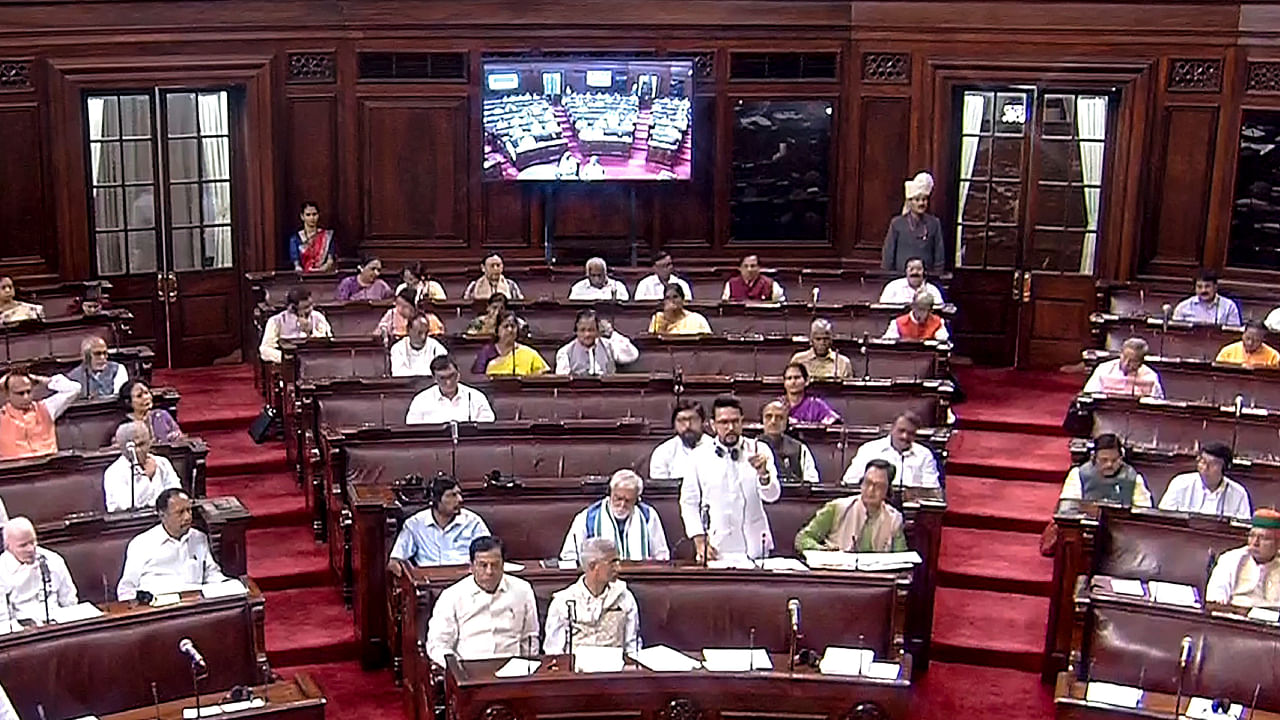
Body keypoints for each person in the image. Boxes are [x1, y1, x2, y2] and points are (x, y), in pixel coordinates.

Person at [679, 396, 780, 561]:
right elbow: (688, 502)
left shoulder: (759, 450)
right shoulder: (698, 456)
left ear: (742, 421)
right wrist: (699, 540)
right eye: (724, 422)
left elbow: (772, 496)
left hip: (755, 548)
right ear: (713, 425)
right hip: (716, 548)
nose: (730, 427)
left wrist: (763, 474)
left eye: (735, 421)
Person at [425, 536, 539, 666]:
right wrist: (457, 670)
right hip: (468, 669)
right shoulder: (452, 596)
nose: (489, 571)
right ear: (472, 566)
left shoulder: (522, 590)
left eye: (495, 565)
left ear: (503, 565)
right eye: (483, 565)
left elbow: (530, 638)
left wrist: (527, 668)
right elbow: (438, 645)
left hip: (513, 669)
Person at [117, 488, 228, 601]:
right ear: (162, 515)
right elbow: (126, 590)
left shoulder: (199, 538)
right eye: (180, 512)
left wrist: (228, 585)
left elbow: (212, 575)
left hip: (195, 607)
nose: (187, 517)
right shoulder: (141, 544)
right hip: (159, 610)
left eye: (189, 510)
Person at [544, 537, 641, 655]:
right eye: (612, 562)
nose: (618, 568)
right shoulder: (563, 602)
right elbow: (554, 652)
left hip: (615, 669)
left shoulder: (624, 598)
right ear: (592, 566)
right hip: (577, 670)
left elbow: (632, 645)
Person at [795, 460, 907, 553]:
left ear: (888, 490)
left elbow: (901, 558)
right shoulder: (837, 508)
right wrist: (822, 550)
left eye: (878, 486)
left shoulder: (894, 520)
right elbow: (802, 539)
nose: (871, 490)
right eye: (867, 483)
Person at [559, 470, 670, 563]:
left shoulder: (648, 516)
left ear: (637, 499)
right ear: (610, 493)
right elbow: (569, 556)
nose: (622, 505)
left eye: (628, 500)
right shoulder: (587, 518)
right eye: (618, 498)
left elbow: (661, 555)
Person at [389, 475, 490, 571]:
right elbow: (395, 561)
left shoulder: (473, 522)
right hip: (427, 582)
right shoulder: (414, 524)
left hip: (465, 580)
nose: (460, 500)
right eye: (452, 495)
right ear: (436, 500)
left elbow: (490, 553)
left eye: (459, 494)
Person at [0, 517, 78, 621]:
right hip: (22, 632)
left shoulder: (53, 560)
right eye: (23, 545)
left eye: (33, 542)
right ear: (8, 546)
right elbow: (3, 619)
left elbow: (69, 602)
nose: (31, 549)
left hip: (58, 625)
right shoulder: (2, 570)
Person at [842, 411, 940, 489]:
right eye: (901, 431)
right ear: (892, 429)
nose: (904, 436)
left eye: (910, 433)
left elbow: (932, 490)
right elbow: (849, 481)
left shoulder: (925, 455)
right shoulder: (869, 449)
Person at [1206, 508, 1280, 607]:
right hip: (1233, 616)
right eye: (1252, 536)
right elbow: (1215, 595)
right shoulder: (1230, 559)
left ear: (1278, 543)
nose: (1255, 543)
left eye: (1263, 538)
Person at [0, 369, 80, 459]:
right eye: (20, 393)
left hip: (49, 468)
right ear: (7, 395)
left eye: (29, 392)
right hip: (16, 471)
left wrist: (39, 379)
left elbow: (74, 388)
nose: (26, 397)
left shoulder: (46, 408)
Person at [1158, 443, 1252, 520]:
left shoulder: (1239, 494)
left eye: (1212, 463)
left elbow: (1242, 526)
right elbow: (1164, 517)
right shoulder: (1180, 483)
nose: (1205, 468)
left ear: (1225, 467)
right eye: (1203, 461)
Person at [1057, 433, 1153, 507]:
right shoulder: (1078, 475)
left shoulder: (1134, 478)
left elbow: (1143, 512)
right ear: (1094, 458)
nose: (1109, 465)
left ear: (1121, 458)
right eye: (1104, 460)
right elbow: (1067, 508)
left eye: (1114, 460)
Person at [104, 421, 181, 513]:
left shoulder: (162, 463)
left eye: (144, 443)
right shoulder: (113, 472)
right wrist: (147, 478)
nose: (141, 449)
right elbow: (130, 505)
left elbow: (176, 493)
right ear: (123, 448)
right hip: (130, 523)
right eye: (136, 445)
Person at [882, 171, 945, 273]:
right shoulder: (897, 223)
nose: (921, 203)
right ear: (910, 202)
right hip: (900, 279)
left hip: (926, 280)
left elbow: (939, 255)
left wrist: (937, 275)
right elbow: (888, 255)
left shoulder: (934, 223)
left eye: (924, 199)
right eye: (917, 200)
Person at [406, 355, 495, 424]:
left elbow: (488, 426)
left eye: (452, 376)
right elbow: (413, 430)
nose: (448, 382)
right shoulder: (421, 400)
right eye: (442, 378)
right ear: (434, 379)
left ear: (458, 374)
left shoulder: (476, 397)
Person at [258, 288, 332, 363]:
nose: (310, 309)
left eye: (311, 305)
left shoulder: (318, 317)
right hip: (288, 363)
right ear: (292, 308)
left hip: (316, 361)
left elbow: (328, 341)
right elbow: (265, 349)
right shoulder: (276, 321)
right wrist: (286, 358)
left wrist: (310, 332)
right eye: (305, 307)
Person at [1082, 337, 1164, 398]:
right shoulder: (1103, 369)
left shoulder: (1151, 377)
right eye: (1124, 357)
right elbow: (1088, 395)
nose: (1126, 363)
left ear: (1141, 362)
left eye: (1133, 361)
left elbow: (1157, 404)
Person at [759, 401, 819, 484]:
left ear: (786, 422)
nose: (773, 421)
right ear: (762, 421)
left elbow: (812, 480)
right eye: (768, 416)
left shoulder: (800, 448)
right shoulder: (751, 447)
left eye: (779, 417)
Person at [649, 400, 710, 481]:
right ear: (674, 424)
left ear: (703, 422)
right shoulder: (663, 451)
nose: (687, 425)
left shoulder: (714, 447)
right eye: (681, 420)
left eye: (693, 419)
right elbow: (660, 489)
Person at [55, 336, 128, 399]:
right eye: (97, 354)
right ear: (86, 356)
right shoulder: (72, 378)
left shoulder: (118, 369)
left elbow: (118, 397)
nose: (102, 357)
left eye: (105, 353)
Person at [484, 312, 549, 376]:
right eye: (505, 326)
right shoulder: (492, 365)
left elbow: (544, 375)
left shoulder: (529, 353)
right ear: (497, 330)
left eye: (513, 326)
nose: (510, 330)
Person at [120, 379, 184, 443]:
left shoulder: (162, 415)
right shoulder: (124, 425)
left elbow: (179, 437)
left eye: (147, 393)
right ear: (128, 402)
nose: (146, 397)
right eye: (139, 396)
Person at [555, 309, 617, 376]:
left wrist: (611, 332)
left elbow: (629, 355)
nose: (587, 334)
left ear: (597, 331)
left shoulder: (607, 346)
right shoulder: (565, 352)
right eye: (582, 330)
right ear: (576, 331)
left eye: (591, 330)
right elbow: (562, 379)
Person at [1172, 269, 1241, 325]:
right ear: (1194, 288)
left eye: (1207, 286)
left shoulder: (1229, 306)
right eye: (1199, 287)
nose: (1203, 290)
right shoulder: (1183, 307)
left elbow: (1234, 332)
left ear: (1215, 287)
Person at [789, 318, 854, 379]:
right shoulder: (798, 360)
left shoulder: (843, 362)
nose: (822, 343)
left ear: (831, 340)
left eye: (826, 339)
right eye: (818, 339)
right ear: (811, 340)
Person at [289, 201, 335, 274]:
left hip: (324, 276)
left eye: (314, 214)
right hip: (303, 278)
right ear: (302, 216)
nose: (312, 218)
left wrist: (323, 269)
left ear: (318, 215)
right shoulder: (295, 239)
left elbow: (330, 260)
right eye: (308, 215)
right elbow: (296, 264)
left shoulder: (327, 236)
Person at [883, 291, 950, 341]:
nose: (921, 313)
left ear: (930, 310)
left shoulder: (938, 322)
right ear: (913, 307)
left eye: (925, 310)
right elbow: (889, 341)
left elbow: (943, 339)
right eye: (919, 309)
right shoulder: (897, 323)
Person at [879, 257, 945, 306]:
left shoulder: (932, 290)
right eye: (911, 269)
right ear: (906, 271)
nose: (915, 272)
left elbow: (939, 307)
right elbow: (883, 306)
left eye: (919, 269)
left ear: (924, 272)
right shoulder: (893, 286)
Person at [1215, 321, 1280, 368]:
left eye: (1256, 340)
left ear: (1263, 340)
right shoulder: (1227, 352)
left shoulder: (1273, 356)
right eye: (1247, 338)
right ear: (1243, 335)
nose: (1250, 343)